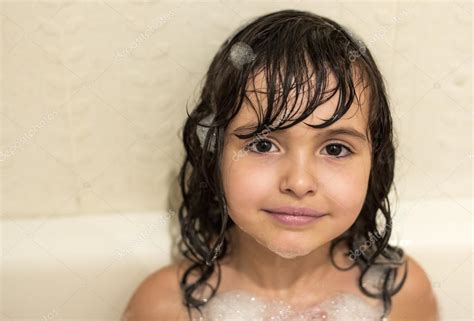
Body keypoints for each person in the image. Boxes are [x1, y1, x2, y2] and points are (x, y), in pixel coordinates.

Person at [122, 9, 439, 321]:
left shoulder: (401, 294)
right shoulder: (163, 307)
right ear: (215, 154)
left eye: (335, 148)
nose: (299, 183)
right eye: (263, 145)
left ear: (375, 163)